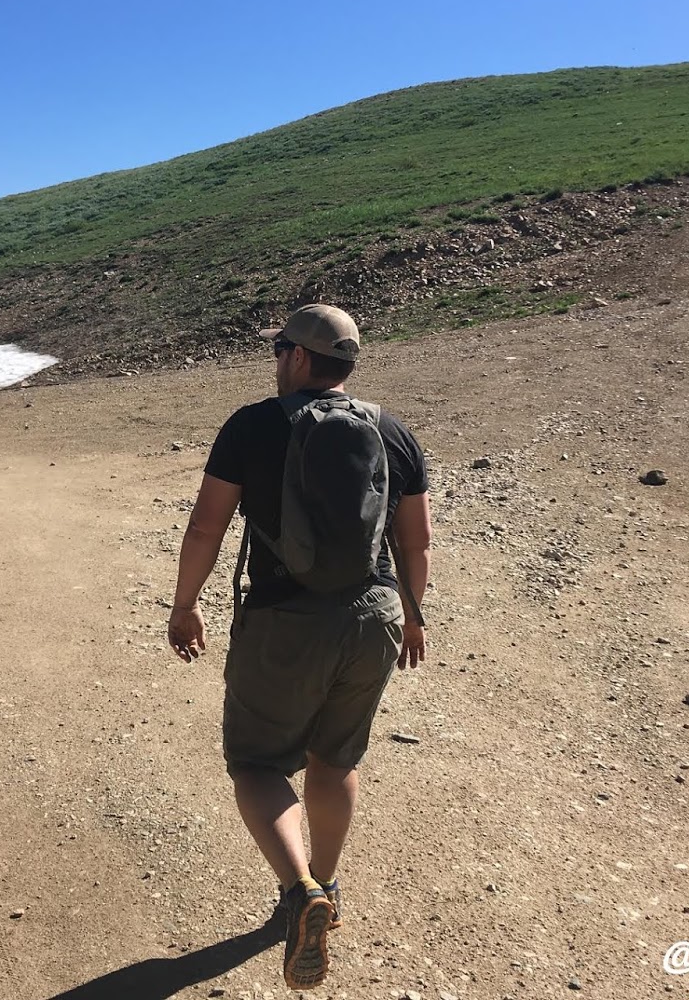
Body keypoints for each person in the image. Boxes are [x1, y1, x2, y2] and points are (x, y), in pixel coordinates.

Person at [167, 303, 431, 991]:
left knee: (255, 761)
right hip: (374, 614)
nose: (275, 359)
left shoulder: (253, 425)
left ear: (304, 358)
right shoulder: (393, 432)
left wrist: (186, 604)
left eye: (280, 348)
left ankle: (298, 890)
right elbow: (415, 542)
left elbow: (206, 528)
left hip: (286, 619)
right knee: (336, 755)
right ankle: (330, 884)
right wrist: (414, 616)